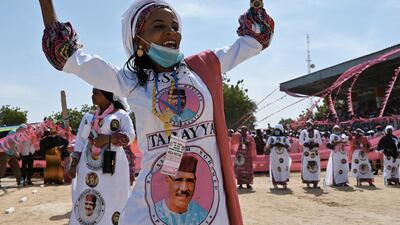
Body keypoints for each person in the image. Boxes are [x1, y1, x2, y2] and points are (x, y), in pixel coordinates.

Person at [39, 0, 274, 224]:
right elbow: (67, 56)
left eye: (174, 26)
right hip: (153, 198)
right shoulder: (130, 82)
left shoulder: (203, 68)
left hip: (207, 196)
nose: (172, 32)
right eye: (159, 26)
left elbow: (254, 41)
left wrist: (256, 5)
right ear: (139, 40)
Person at [68, 88, 135, 225]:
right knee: (89, 194)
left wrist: (108, 139)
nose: (92, 96)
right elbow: (80, 142)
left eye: (96, 93)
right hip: (88, 166)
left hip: (112, 165)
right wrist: (74, 164)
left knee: (112, 195)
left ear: (107, 95)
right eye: (92, 92)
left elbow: (130, 137)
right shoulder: (88, 117)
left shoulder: (121, 115)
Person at [155, 155, 207, 225]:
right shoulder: (153, 213)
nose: (184, 188)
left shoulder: (202, 215)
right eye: (178, 180)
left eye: (190, 181)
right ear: (167, 180)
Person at [266, 124, 291, 189]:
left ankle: (284, 183)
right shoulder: (270, 138)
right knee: (274, 168)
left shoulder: (285, 138)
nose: (277, 131)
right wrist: (273, 144)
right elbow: (267, 147)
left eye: (278, 130)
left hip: (283, 156)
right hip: (274, 156)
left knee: (284, 168)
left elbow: (289, 148)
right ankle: (275, 184)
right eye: (276, 130)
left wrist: (282, 145)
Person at [299, 120, 322, 188]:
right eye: (307, 124)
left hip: (314, 151)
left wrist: (315, 144)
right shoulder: (303, 132)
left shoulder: (316, 132)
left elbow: (319, 141)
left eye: (310, 124)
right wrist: (306, 144)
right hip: (307, 151)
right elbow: (300, 141)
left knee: (316, 165)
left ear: (312, 125)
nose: (308, 125)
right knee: (307, 165)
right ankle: (308, 182)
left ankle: (315, 182)